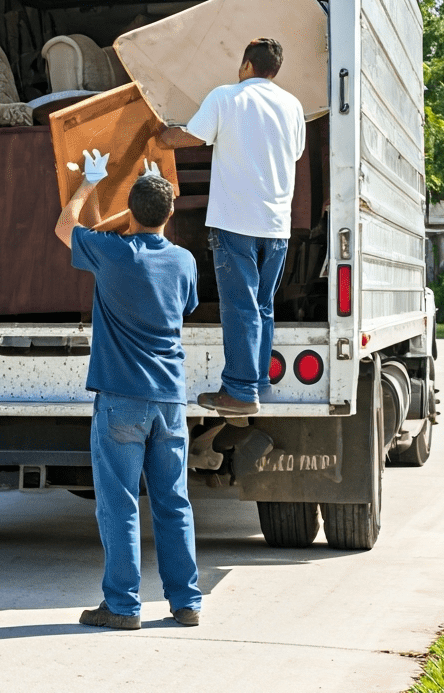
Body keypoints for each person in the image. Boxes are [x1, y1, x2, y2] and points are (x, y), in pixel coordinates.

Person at [55, 152, 202, 631]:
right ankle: (186, 603)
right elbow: (186, 304)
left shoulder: (113, 255)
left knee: (120, 503)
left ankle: (122, 607)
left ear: (131, 212)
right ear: (171, 212)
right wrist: (155, 184)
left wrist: (88, 183)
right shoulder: (184, 262)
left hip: (121, 398)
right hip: (170, 401)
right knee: (173, 502)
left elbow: (66, 227)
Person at [158, 37, 305, 416]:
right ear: (275, 70)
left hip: (236, 223)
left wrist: (163, 134)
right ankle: (255, 384)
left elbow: (189, 138)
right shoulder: (292, 106)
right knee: (261, 307)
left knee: (240, 308)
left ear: (245, 66)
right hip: (276, 227)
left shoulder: (227, 97)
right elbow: (297, 151)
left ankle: (239, 392)